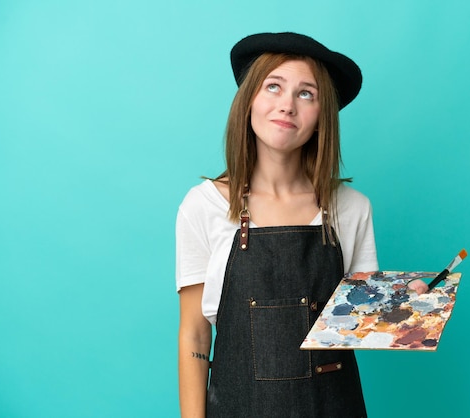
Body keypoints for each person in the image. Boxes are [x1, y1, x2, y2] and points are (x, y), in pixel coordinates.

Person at [176, 32, 428, 418]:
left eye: (306, 93)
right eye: (273, 86)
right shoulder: (205, 205)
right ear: (248, 102)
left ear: (322, 115)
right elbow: (194, 334)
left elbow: (357, 324)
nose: (287, 106)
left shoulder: (351, 208)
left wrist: (407, 305)